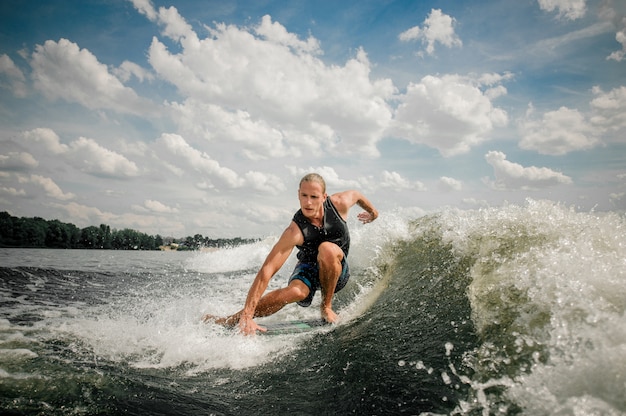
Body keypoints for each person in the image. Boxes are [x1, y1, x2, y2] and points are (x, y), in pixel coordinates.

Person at [203, 173, 378, 335]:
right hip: (308, 266)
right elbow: (268, 270)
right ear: (298, 194)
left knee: (327, 249)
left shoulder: (338, 204)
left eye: (314, 197)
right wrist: (247, 314)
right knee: (294, 292)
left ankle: (326, 306)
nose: (308, 202)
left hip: (336, 269)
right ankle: (232, 320)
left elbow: (357, 195)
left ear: (324, 197)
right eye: (304, 196)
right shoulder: (294, 231)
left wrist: (373, 213)